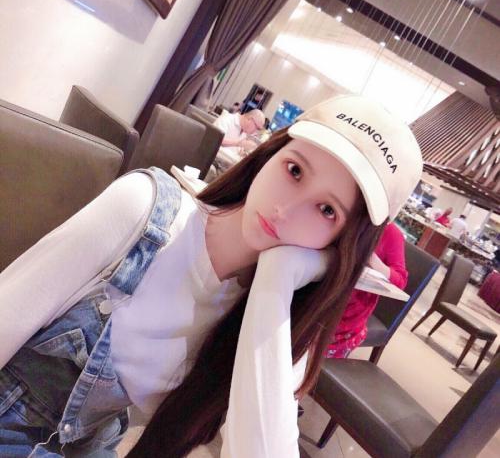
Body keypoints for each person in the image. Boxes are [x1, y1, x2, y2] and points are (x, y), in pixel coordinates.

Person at [0, 95, 423, 457]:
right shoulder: (146, 212)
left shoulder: (278, 320)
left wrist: (279, 278)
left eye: (327, 210)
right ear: (270, 154)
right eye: (295, 170)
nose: (286, 210)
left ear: (342, 243)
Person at [325, 223, 408, 358]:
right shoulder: (349, 215)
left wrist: (375, 262)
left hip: (348, 316)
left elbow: (400, 281)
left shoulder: (390, 232)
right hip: (319, 294)